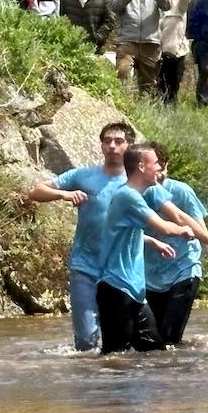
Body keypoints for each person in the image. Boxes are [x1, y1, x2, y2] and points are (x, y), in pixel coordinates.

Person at [25, 121, 134, 351]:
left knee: (121, 344)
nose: (112, 146)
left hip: (121, 269)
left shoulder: (136, 181)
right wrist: (64, 194)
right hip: (85, 265)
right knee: (86, 342)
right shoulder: (84, 175)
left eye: (118, 141)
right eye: (107, 141)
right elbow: (36, 191)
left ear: (130, 144)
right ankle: (87, 382)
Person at [93, 143, 194, 354]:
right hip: (116, 287)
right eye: (156, 163)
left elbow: (125, 231)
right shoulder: (127, 196)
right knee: (115, 356)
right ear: (141, 166)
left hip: (134, 290)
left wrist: (153, 242)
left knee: (154, 350)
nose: (159, 168)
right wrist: (184, 230)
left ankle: (148, 387)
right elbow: (163, 226)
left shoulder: (132, 195)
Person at [142, 144, 208, 345]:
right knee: (151, 341)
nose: (158, 174)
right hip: (150, 275)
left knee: (169, 337)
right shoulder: (138, 191)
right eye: (153, 167)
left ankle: (177, 373)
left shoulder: (181, 191)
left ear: (166, 167)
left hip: (183, 270)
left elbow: (196, 223)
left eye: (161, 167)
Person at [109, 0, 171, 96]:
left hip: (151, 41)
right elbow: (114, 7)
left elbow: (167, 6)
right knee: (123, 73)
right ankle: (125, 108)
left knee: (148, 86)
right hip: (127, 40)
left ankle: (145, 113)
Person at [156, 0, 192, 103]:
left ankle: (172, 114)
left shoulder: (180, 5)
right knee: (157, 88)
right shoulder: (154, 5)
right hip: (156, 53)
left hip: (176, 53)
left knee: (172, 89)